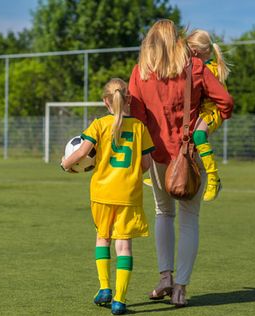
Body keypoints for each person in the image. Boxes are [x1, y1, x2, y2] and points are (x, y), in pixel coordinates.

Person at [128, 20, 234, 307]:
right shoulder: (194, 67)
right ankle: (181, 288)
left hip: (157, 156)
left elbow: (136, 119)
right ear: (176, 40)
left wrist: (143, 154)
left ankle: (165, 278)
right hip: (190, 157)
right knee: (189, 220)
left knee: (163, 213)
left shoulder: (140, 72)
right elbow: (225, 102)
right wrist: (205, 125)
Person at [61, 78, 155, 315]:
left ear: (106, 101)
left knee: (102, 238)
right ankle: (120, 301)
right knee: (124, 246)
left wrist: (65, 164)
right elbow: (146, 163)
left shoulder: (98, 124)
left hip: (101, 193)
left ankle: (104, 287)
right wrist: (131, 173)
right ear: (129, 100)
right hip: (129, 194)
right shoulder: (139, 127)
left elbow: (82, 151)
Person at [187, 29, 231, 201]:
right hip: (200, 110)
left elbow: (220, 98)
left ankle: (214, 179)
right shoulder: (193, 66)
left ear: (195, 51)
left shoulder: (209, 69)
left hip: (213, 110)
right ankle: (172, 173)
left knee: (198, 135)